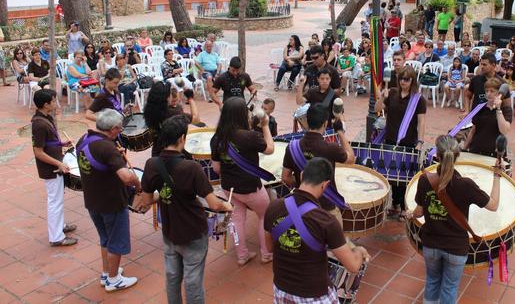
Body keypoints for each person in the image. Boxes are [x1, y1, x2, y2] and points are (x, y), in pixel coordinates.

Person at [138, 115, 233, 303]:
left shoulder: (151, 164)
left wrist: (164, 194)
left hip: (170, 230)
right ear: (182, 138)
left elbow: (147, 200)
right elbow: (214, 204)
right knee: (193, 280)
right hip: (192, 231)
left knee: (172, 277)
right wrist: (226, 205)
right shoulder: (191, 167)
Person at [409, 135, 501, 304]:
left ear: (437, 155)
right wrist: (497, 176)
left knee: (432, 282)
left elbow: (419, 212)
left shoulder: (424, 180)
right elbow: (494, 205)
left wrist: (410, 214)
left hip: (431, 245)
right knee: (449, 288)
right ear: (458, 157)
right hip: (456, 248)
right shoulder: (466, 185)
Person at [264, 157, 370, 303]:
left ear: (301, 176)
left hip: (281, 290)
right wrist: (359, 251)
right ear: (325, 185)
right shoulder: (326, 221)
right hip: (314, 295)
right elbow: (353, 266)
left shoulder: (273, 207)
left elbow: (269, 248)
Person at [77, 109, 139, 291]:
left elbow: (99, 162)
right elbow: (127, 177)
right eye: (119, 130)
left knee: (105, 238)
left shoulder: (83, 140)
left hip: (92, 200)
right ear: (112, 129)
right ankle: (114, 280)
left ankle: (107, 273)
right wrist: (137, 183)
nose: (119, 133)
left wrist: (114, 155)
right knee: (116, 241)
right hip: (111, 202)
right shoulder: (107, 148)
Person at [210, 97, 274, 265]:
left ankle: (242, 255)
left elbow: (216, 168)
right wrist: (265, 125)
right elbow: (270, 149)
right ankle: (266, 254)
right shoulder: (249, 136)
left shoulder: (216, 138)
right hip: (250, 187)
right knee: (264, 216)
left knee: (236, 219)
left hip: (229, 188)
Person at [282, 104, 355, 223]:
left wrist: (302, 184)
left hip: (303, 206)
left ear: (307, 121)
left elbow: (285, 177)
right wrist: (340, 132)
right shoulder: (331, 148)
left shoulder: (292, 147)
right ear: (325, 123)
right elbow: (351, 158)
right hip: (327, 208)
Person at [374, 66, 427, 217]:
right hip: (391, 138)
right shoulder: (392, 93)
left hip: (409, 140)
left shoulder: (418, 99)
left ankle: (404, 207)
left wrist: (421, 141)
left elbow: (421, 122)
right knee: (392, 174)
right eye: (401, 79)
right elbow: (378, 109)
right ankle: (395, 204)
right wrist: (379, 96)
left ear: (412, 80)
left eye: (406, 79)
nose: (403, 82)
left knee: (405, 176)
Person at [31, 89, 77, 247]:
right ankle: (56, 237)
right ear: (45, 104)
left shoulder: (45, 118)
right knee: (55, 201)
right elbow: (38, 152)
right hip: (51, 168)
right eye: (53, 101)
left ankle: (60, 226)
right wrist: (59, 163)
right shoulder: (39, 124)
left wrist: (61, 143)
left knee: (57, 199)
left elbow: (48, 142)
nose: (55, 104)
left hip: (55, 165)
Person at [144, 82, 201, 157]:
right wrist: (190, 98)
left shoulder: (148, 110)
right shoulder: (171, 114)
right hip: (174, 154)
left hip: (157, 152)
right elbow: (196, 119)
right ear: (167, 98)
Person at [464, 77, 512, 155]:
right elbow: (473, 130)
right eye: (486, 91)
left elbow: (504, 130)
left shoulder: (505, 110)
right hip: (476, 150)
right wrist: (464, 149)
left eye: (492, 91)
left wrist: (498, 109)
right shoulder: (480, 107)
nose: (488, 94)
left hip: (494, 153)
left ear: (499, 93)